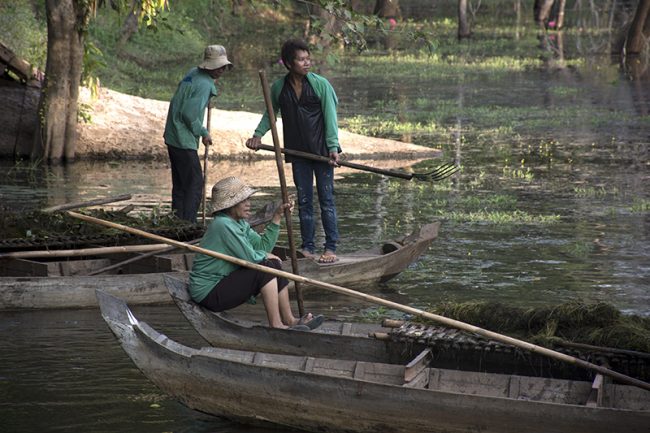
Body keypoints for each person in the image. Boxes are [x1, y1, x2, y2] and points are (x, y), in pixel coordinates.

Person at [246, 38, 341, 264]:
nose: (306, 63)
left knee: (326, 200)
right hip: (298, 154)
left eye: (308, 58)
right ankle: (307, 247)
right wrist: (258, 135)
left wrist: (333, 147)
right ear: (289, 63)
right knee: (305, 200)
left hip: (322, 153)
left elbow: (330, 116)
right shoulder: (279, 88)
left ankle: (330, 247)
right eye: (301, 60)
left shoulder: (320, 85)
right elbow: (270, 113)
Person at [189, 176, 324, 330]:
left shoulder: (239, 223)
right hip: (208, 292)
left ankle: (290, 320)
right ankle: (276, 325)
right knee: (265, 269)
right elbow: (251, 259)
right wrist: (266, 256)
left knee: (272, 264)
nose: (249, 204)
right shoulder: (222, 225)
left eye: (248, 199)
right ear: (231, 205)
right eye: (243, 201)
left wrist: (277, 217)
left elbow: (263, 246)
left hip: (222, 282)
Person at [163, 44, 233, 223]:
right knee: (195, 184)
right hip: (183, 138)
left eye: (223, 67)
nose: (221, 70)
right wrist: (203, 132)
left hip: (172, 135)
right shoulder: (204, 84)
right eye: (218, 67)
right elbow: (189, 114)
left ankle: (176, 221)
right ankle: (188, 223)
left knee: (180, 184)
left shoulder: (193, 73)